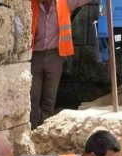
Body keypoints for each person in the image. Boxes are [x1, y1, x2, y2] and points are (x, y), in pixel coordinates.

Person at [30, 0, 91, 129]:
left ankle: (45, 129)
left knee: (50, 96)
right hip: (34, 55)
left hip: (55, 55)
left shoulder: (65, 3)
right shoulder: (31, 4)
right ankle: (32, 128)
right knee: (33, 96)